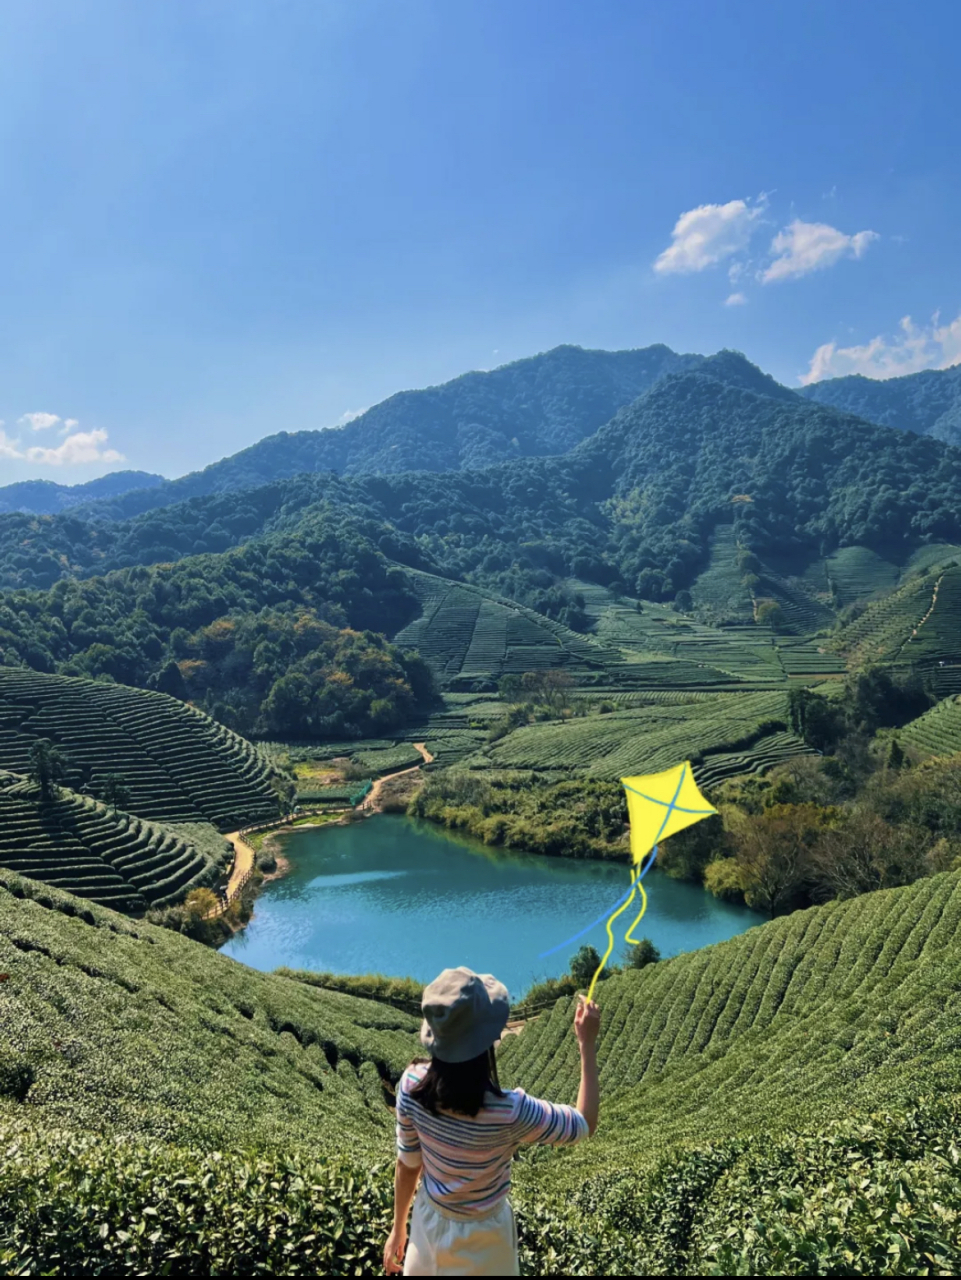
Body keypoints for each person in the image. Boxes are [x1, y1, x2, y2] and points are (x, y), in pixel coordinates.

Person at [383, 966, 601, 1276]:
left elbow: (408, 1165)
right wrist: (587, 1044)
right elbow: (584, 1123)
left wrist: (398, 1228)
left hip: (428, 1225)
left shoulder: (410, 1086)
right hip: (487, 1238)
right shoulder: (511, 1111)